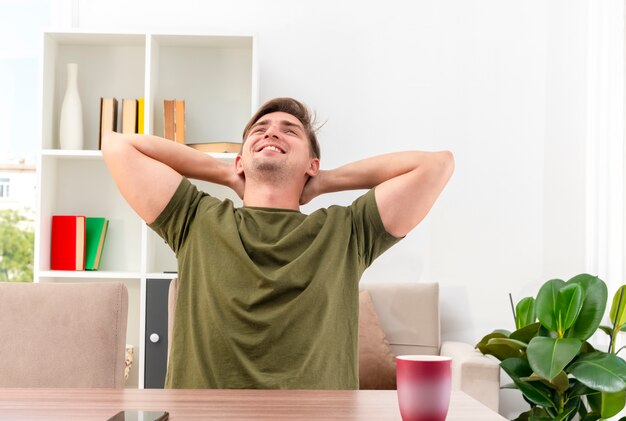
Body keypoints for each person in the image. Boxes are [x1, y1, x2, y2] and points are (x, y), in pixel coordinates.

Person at [102, 97, 454, 389]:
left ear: (311, 164)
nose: (272, 132)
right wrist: (225, 173)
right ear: (241, 159)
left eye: (290, 131)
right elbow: (118, 145)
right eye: (260, 130)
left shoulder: (346, 230)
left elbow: (437, 165)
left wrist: (325, 181)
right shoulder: (195, 218)